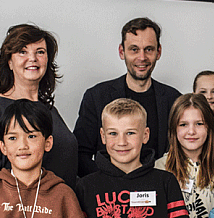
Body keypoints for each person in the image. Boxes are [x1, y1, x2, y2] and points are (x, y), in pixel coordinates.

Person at [0, 24, 77, 190]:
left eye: (40, 52)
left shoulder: (49, 110)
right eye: (23, 51)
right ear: (10, 62)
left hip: (59, 208)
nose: (32, 58)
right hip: (17, 212)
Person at [75, 17, 183, 176]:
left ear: (158, 52)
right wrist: (111, 181)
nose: (142, 57)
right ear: (121, 51)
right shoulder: (96, 97)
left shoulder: (173, 100)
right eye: (134, 49)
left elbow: (182, 154)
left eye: (149, 49)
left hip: (158, 192)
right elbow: (79, 155)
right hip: (108, 193)